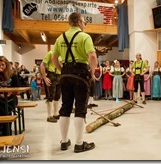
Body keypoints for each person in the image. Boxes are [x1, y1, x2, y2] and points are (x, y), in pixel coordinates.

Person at [52, 12, 98, 153]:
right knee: (80, 108)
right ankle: (79, 144)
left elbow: (54, 58)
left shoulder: (60, 38)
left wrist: (63, 70)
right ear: (78, 22)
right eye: (84, 22)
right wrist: (92, 72)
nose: (84, 25)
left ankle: (64, 142)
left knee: (65, 106)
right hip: (80, 74)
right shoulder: (85, 37)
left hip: (65, 74)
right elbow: (92, 56)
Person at [0, 56, 20, 136]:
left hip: (11, 98)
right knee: (1, 106)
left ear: (6, 65)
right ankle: (2, 129)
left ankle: (4, 131)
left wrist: (9, 93)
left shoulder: (13, 75)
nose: (1, 67)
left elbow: (17, 89)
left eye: (2, 65)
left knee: (4, 109)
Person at [40, 51, 61, 123]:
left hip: (59, 76)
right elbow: (42, 65)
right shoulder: (51, 53)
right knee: (51, 96)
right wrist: (44, 77)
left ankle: (55, 113)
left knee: (57, 96)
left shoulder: (62, 55)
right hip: (51, 75)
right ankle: (49, 116)